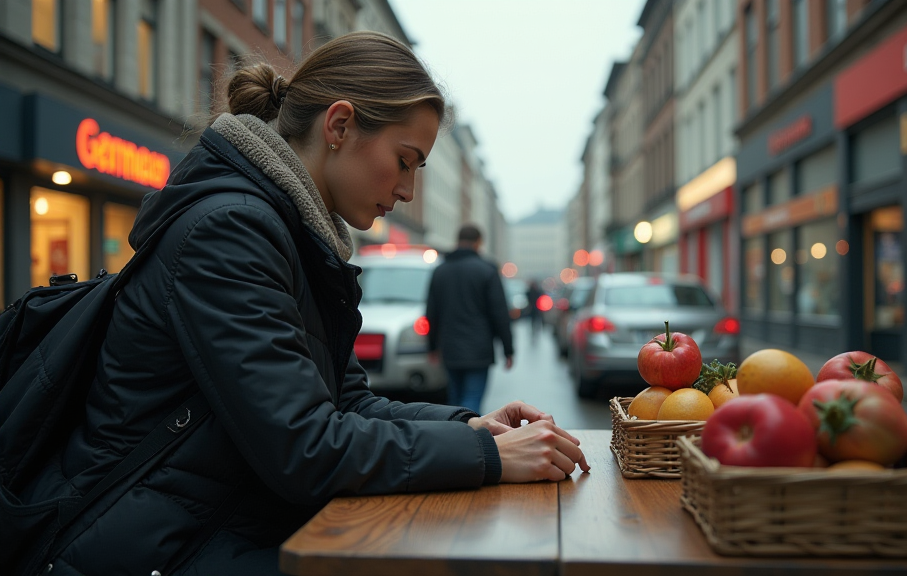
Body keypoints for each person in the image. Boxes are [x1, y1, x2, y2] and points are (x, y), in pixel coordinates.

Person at [21, 32, 588, 576]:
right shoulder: (231, 231)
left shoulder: (294, 234)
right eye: (406, 160)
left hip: (214, 526)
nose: (408, 190)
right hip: (145, 544)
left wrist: (474, 429)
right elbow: (305, 448)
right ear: (339, 125)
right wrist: (490, 459)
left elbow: (346, 405)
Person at [426, 224, 514, 413]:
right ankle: (468, 437)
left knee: (455, 400)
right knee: (472, 399)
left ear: (457, 241)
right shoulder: (487, 270)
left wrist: (432, 346)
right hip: (478, 349)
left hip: (449, 347)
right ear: (478, 243)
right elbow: (499, 313)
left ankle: (454, 437)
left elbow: (431, 312)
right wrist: (508, 349)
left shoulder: (440, 271)